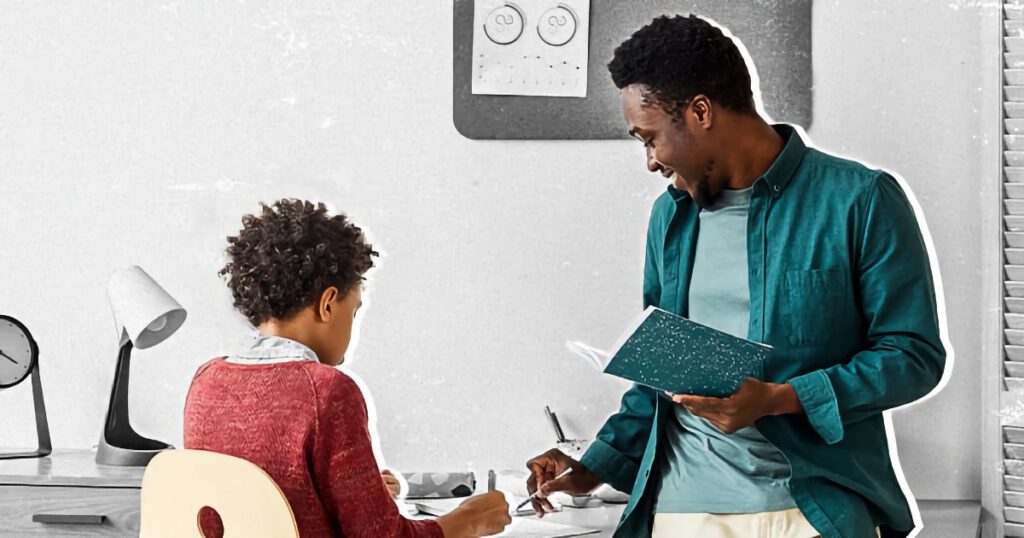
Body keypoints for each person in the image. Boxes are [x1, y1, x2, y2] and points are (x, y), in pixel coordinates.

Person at [526, 15, 946, 538]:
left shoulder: (860, 200)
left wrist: (781, 398)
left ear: (701, 112)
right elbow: (661, 374)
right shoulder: (671, 217)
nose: (651, 161)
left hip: (816, 511)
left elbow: (914, 355)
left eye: (649, 137)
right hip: (685, 511)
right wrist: (591, 467)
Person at [184, 199, 510, 538]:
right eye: (353, 310)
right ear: (327, 305)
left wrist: (362, 490)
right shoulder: (327, 391)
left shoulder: (206, 381)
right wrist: (467, 519)